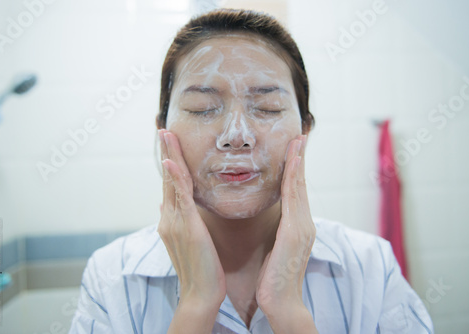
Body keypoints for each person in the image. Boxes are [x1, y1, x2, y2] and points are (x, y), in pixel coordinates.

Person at [69, 8, 433, 334]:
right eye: (202, 108)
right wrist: (195, 304)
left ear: (305, 128)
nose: (236, 137)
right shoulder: (112, 277)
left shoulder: (371, 267)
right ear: (162, 129)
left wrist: (288, 312)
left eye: (268, 107)